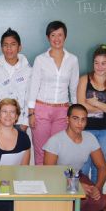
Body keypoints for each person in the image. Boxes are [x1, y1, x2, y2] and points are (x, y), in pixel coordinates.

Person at [28, 20, 79, 164]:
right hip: (41, 109)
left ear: (65, 37)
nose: (57, 39)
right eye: (53, 35)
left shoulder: (73, 60)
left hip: (62, 111)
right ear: (48, 37)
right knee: (40, 151)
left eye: (60, 35)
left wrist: (75, 114)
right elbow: (34, 87)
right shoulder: (40, 60)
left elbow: (74, 88)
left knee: (57, 151)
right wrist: (31, 113)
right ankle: (40, 185)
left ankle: (53, 185)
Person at [43, 104, 106, 211]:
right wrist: (75, 185)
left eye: (83, 119)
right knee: (80, 197)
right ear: (67, 119)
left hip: (75, 174)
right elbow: (49, 173)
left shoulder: (90, 138)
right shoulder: (55, 140)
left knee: (99, 202)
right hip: (58, 177)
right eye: (75, 118)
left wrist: (97, 187)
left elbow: (102, 167)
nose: (80, 123)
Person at [77, 44, 106, 184]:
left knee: (99, 167)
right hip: (86, 130)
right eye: (96, 63)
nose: (99, 66)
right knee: (83, 165)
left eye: (103, 63)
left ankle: (96, 201)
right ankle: (82, 202)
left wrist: (95, 103)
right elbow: (80, 106)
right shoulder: (84, 79)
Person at [0, 28, 32, 131]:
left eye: (13, 44)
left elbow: (30, 97)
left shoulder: (28, 70)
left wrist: (25, 123)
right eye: (5, 45)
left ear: (19, 47)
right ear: (1, 47)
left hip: (19, 123)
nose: (9, 48)